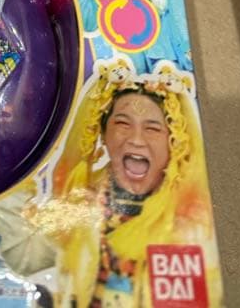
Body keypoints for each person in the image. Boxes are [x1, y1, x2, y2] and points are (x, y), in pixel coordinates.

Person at [40, 62, 218, 307]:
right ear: (103, 133)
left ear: (174, 140)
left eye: (153, 128)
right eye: (123, 124)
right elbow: (30, 258)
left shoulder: (193, 223)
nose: (136, 140)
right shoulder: (77, 201)